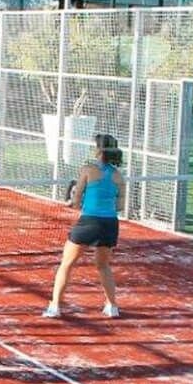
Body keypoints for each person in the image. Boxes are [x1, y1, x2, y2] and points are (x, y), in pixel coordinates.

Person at [43, 133, 126, 319]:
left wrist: (74, 203)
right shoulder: (119, 176)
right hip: (110, 224)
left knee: (67, 264)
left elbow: (77, 197)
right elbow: (119, 206)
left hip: (89, 222)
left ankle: (55, 306)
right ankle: (112, 307)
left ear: (98, 150)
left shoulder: (87, 170)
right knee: (103, 266)